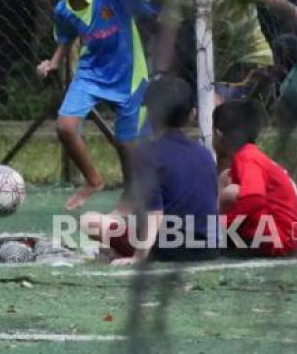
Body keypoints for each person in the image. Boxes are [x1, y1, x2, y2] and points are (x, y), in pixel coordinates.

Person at [37, 0, 158, 211]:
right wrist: (53, 63)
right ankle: (93, 180)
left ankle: (130, 196)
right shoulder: (62, 10)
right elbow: (66, 37)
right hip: (90, 74)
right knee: (65, 127)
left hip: (129, 75)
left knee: (127, 144)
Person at [105, 0, 297, 103]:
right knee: (205, 112)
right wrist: (159, 76)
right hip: (219, 71)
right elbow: (167, 30)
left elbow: (273, 0)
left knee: (214, 111)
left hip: (251, 61)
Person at [80, 77, 220, 265]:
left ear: (152, 115)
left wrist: (139, 257)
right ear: (192, 115)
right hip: (209, 248)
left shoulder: (147, 154)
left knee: (90, 220)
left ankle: (129, 252)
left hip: (168, 251)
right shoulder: (205, 154)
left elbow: (155, 214)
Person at [213, 100, 297, 256]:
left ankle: (213, 236)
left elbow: (254, 198)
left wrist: (223, 224)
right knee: (226, 180)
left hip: (280, 238)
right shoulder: (251, 155)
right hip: (287, 235)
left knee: (233, 193)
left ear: (218, 133)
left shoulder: (247, 157)